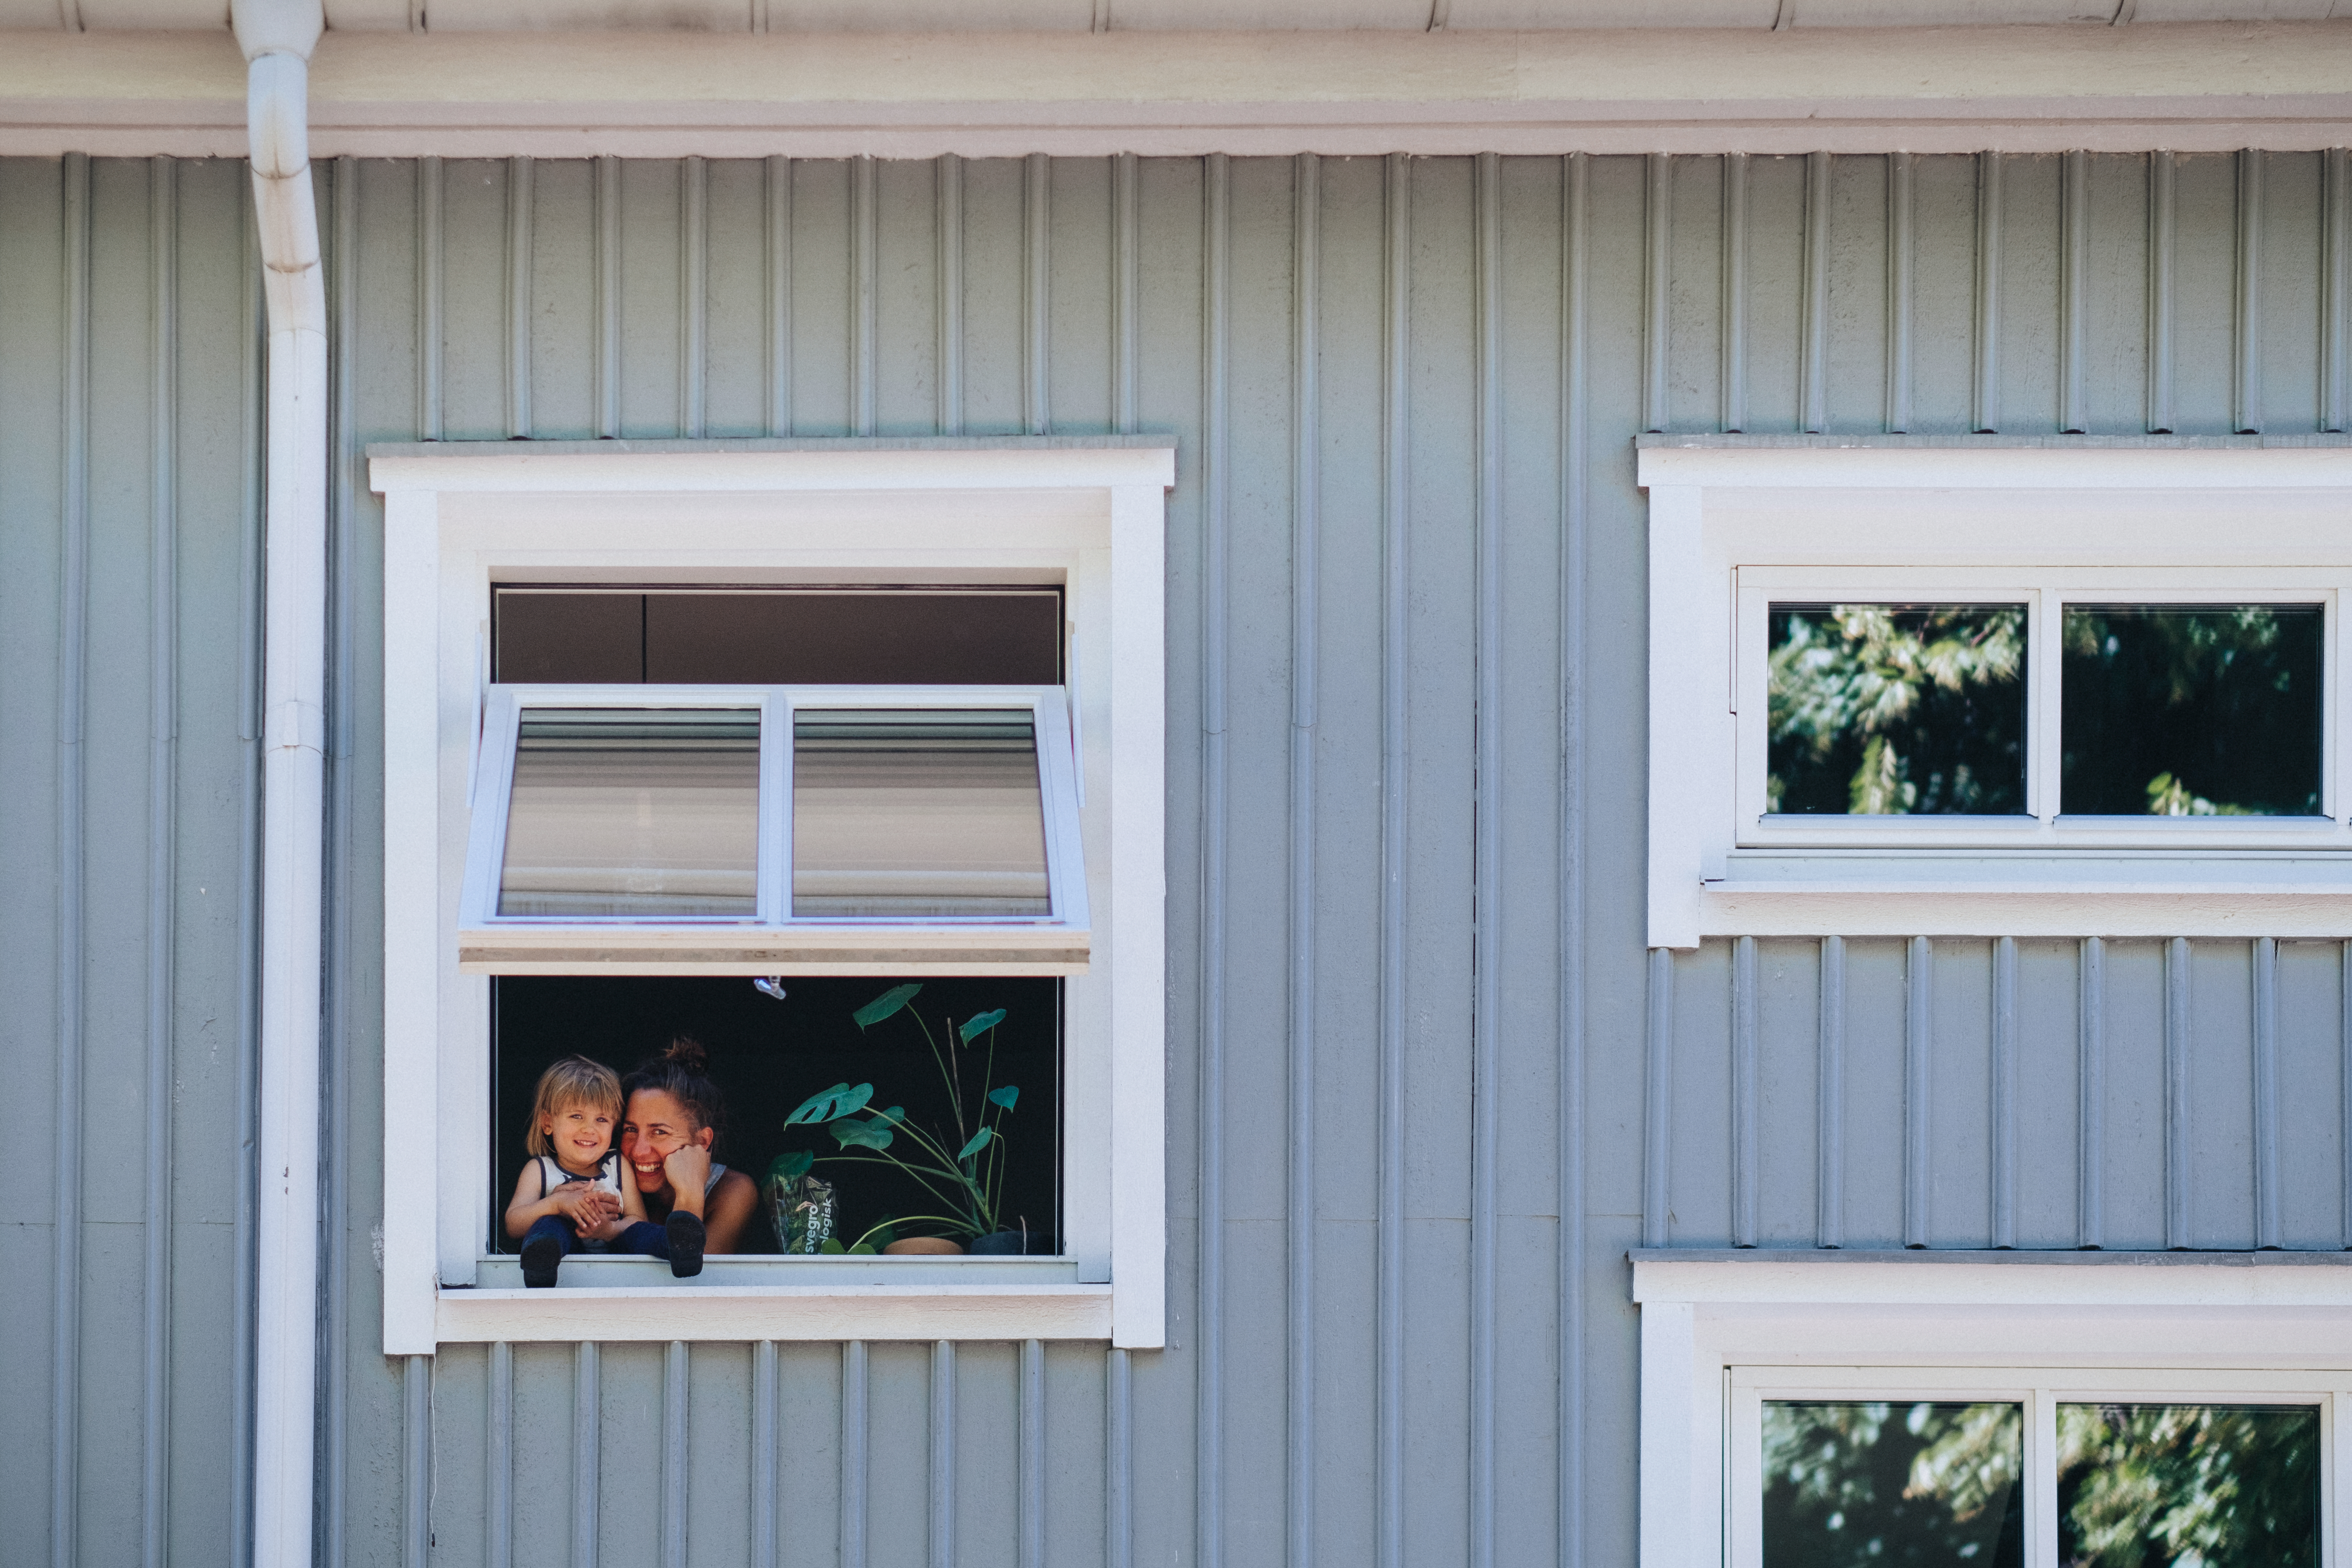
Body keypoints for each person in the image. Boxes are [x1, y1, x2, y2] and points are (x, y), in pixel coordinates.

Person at [616, 1036, 760, 1278]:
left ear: (703, 1141)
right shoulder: (609, 1177)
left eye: (659, 1132)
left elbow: (693, 1283)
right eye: (631, 1130)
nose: (638, 1151)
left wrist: (690, 1193)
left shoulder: (735, 1191)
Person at [504, 1055, 646, 1289]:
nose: (589, 1129)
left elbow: (639, 1220)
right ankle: (541, 1267)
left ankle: (678, 1249)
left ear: (614, 1126)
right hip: (566, 1268)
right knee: (551, 1224)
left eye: (601, 1119)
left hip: (616, 1271)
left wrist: (609, 1230)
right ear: (548, 1123)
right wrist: (557, 1204)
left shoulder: (618, 1165)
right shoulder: (540, 1170)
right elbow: (513, 1224)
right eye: (576, 1116)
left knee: (645, 1234)